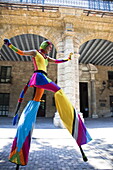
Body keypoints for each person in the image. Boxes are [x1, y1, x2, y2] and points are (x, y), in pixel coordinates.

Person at [4, 38, 92, 166]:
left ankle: (19, 150)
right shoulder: (36, 53)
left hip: (42, 77)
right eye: (50, 46)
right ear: (45, 46)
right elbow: (21, 52)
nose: (51, 48)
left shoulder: (46, 57)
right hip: (39, 76)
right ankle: (69, 115)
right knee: (59, 91)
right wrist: (9, 45)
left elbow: (56, 61)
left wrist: (67, 59)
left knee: (35, 102)